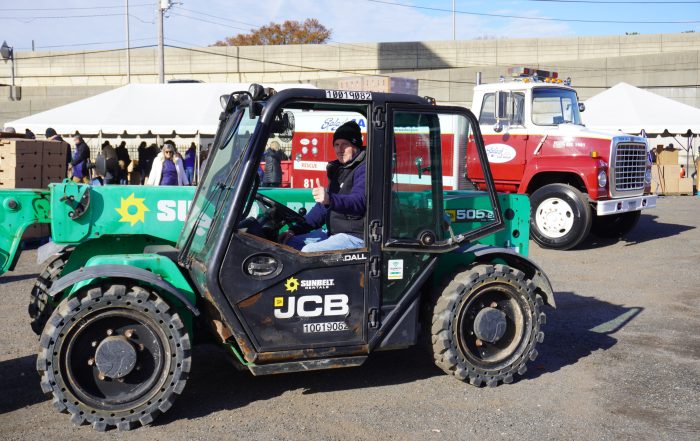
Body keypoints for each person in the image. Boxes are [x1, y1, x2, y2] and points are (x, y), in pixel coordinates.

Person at [280, 121, 366, 253]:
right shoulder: (339, 170)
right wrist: (295, 230)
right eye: (336, 145)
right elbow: (322, 209)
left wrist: (330, 199)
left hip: (355, 236)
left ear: (356, 145)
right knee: (288, 243)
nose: (340, 149)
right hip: (334, 234)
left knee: (307, 252)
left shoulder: (364, 168)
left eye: (345, 144)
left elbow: (358, 202)